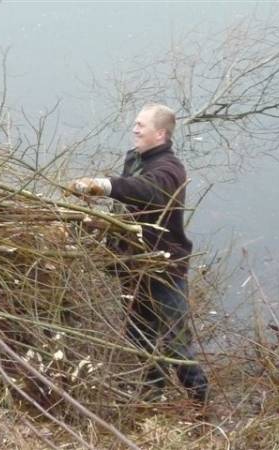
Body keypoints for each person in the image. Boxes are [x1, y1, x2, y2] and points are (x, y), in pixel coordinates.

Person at [68, 103, 208, 403]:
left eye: (141, 125)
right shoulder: (135, 158)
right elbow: (129, 206)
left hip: (163, 269)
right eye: (135, 123)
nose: (134, 129)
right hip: (134, 265)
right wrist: (100, 223)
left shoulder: (169, 170)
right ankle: (151, 397)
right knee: (140, 339)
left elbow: (145, 191)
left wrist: (104, 186)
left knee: (176, 346)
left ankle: (202, 406)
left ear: (160, 133)